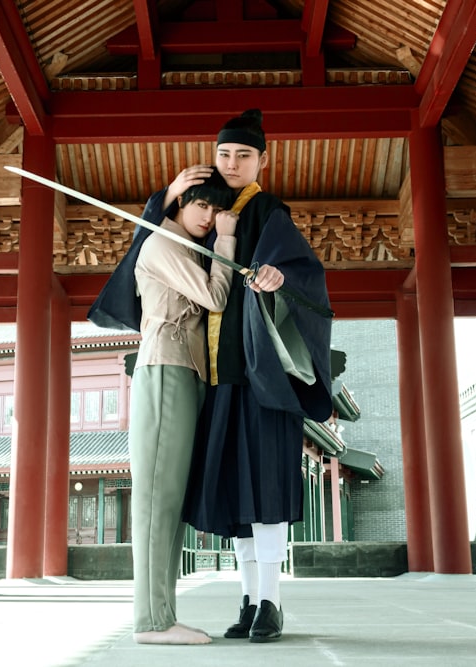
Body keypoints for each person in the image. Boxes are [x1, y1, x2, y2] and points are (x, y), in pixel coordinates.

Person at [140, 109, 334, 643]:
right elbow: (156, 238)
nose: (230, 163)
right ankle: (249, 600)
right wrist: (166, 194)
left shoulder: (270, 210)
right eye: (223, 154)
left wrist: (276, 276)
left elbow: (301, 272)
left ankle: (271, 600)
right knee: (237, 492)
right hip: (215, 378)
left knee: (265, 485)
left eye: (243, 155)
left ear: (261, 161)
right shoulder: (208, 208)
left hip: (259, 375)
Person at [106, 172, 238, 645]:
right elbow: (215, 296)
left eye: (217, 209)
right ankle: (152, 622)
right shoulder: (163, 244)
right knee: (156, 500)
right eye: (201, 205)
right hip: (165, 370)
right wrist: (226, 241)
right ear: (180, 202)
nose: (208, 216)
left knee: (169, 502)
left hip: (185, 372)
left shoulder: (183, 246)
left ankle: (162, 616)